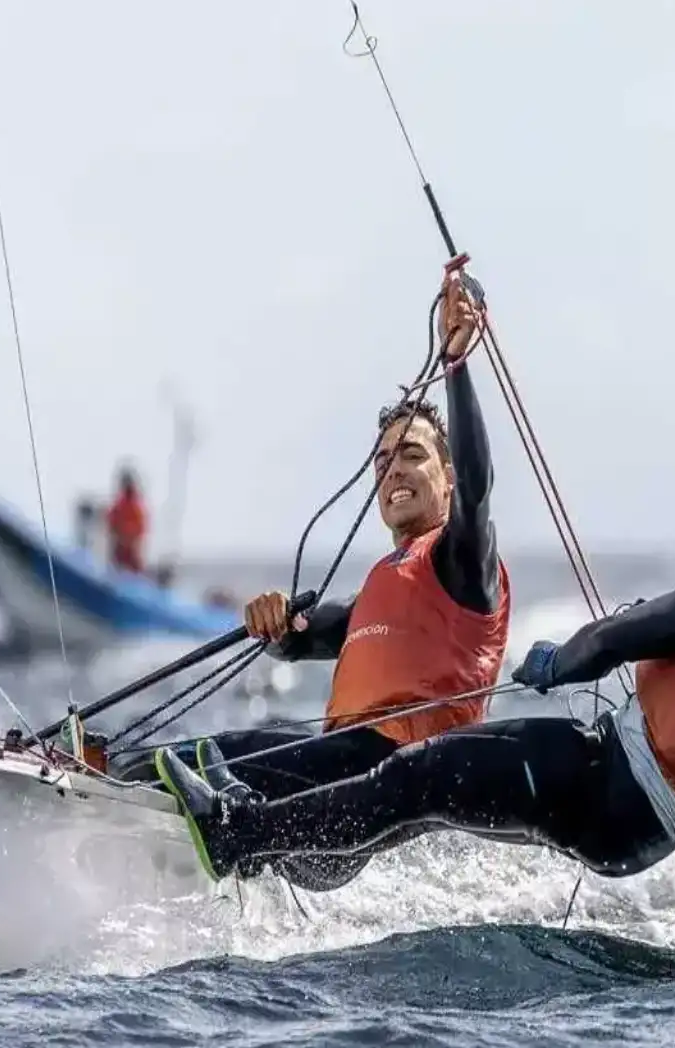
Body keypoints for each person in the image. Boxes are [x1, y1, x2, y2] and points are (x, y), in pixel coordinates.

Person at [152, 463, 675, 884]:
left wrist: (560, 661)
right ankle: (296, 851)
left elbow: (615, 637)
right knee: (423, 799)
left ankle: (237, 835)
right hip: (642, 838)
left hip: (610, 785)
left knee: (417, 776)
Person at [126, 266, 511, 891]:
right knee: (202, 753)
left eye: (411, 454)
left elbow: (480, 482)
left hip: (392, 788)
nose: (393, 471)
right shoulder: (387, 583)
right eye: (381, 461)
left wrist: (457, 365)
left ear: (448, 477)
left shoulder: (466, 557)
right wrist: (275, 620)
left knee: (206, 759)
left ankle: (115, 797)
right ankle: (101, 783)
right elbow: (304, 637)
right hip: (333, 795)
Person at [106, 465, 148, 575]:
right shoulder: (119, 505)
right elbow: (111, 524)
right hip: (120, 552)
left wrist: (130, 538)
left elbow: (140, 529)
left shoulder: (137, 507)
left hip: (130, 553)